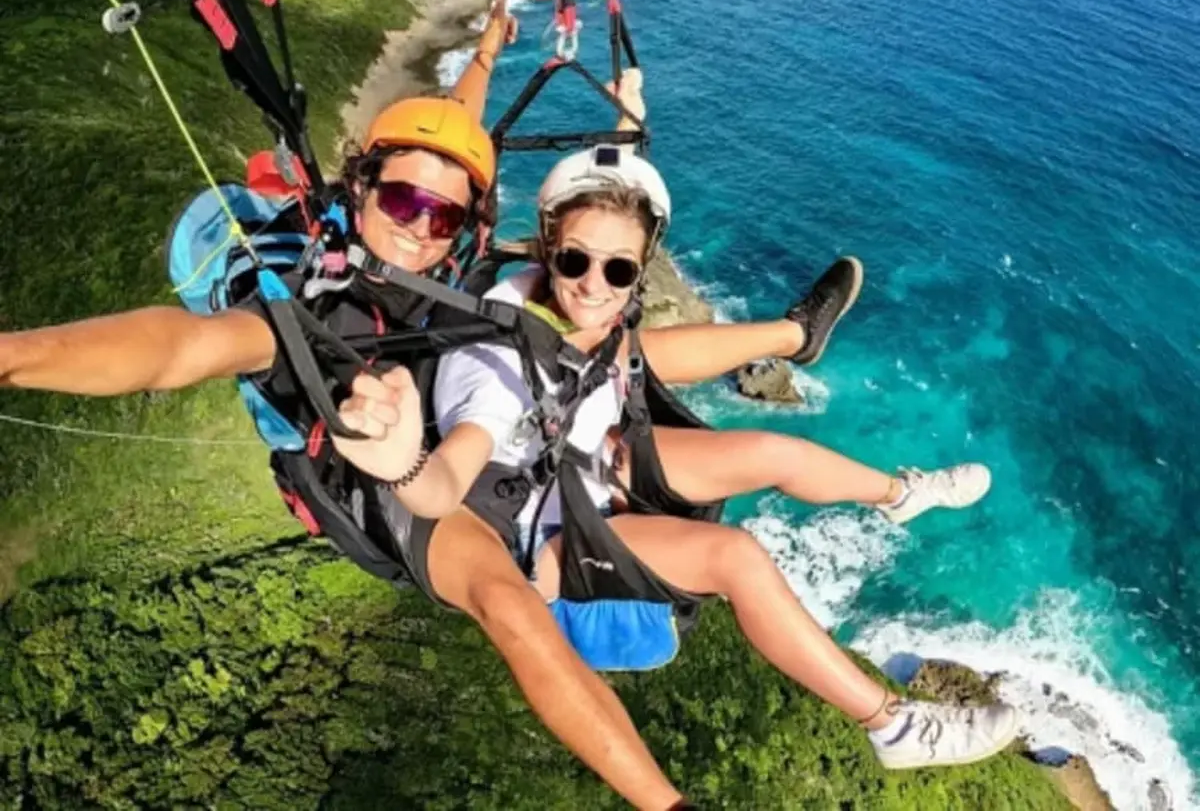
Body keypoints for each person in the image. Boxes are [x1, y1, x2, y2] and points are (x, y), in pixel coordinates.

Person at [327, 148, 1018, 810]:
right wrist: (406, 465)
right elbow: (447, 483)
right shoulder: (495, 373)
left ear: (641, 268)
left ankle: (900, 491)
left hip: (576, 462)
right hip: (531, 529)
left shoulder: (569, 309)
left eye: (620, 270)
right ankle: (893, 726)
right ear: (547, 247)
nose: (595, 283)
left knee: (767, 449)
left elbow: (624, 338)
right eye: (575, 261)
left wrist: (628, 111)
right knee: (736, 556)